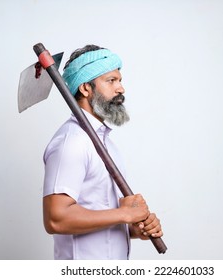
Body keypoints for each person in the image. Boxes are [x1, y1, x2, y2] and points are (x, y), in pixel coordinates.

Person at [42, 45, 163, 260]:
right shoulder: (72, 142)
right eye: (111, 80)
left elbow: (101, 214)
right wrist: (125, 213)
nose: (121, 89)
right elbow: (56, 218)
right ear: (86, 89)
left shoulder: (105, 143)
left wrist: (134, 228)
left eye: (120, 80)